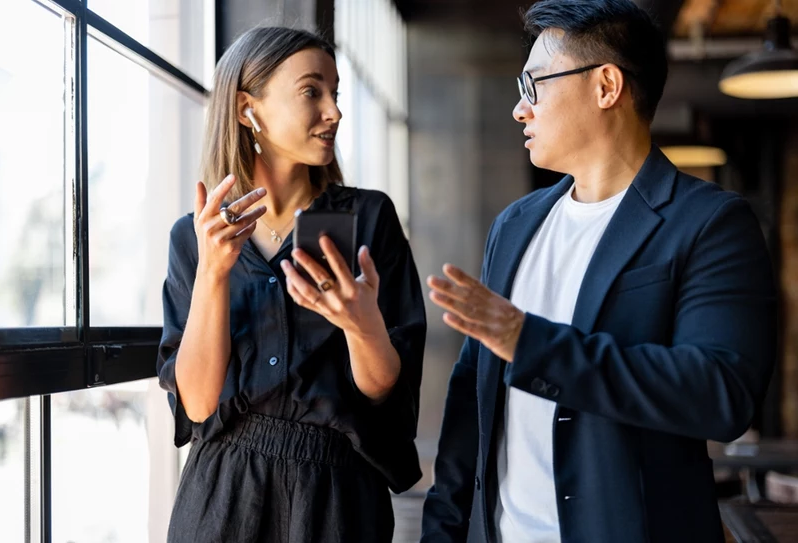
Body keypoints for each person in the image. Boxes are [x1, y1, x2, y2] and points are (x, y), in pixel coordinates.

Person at [420, 1, 777, 542]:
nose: (520, 109)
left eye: (534, 84)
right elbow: (471, 408)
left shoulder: (709, 224)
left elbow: (719, 395)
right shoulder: (514, 226)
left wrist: (529, 341)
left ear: (606, 86)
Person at [157, 27, 426, 543]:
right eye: (312, 91)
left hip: (336, 499)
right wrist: (213, 272)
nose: (334, 111)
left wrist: (362, 327)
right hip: (222, 497)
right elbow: (196, 404)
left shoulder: (369, 219)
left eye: (335, 93)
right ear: (245, 108)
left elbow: (384, 389)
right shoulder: (195, 239)